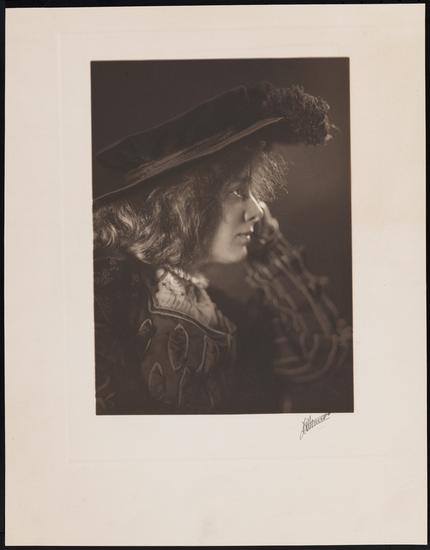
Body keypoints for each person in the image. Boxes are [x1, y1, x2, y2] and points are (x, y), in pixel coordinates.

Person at [93, 81, 353, 415]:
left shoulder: (228, 314)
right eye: (236, 191)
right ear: (183, 204)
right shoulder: (109, 291)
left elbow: (321, 355)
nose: (257, 210)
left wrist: (268, 247)